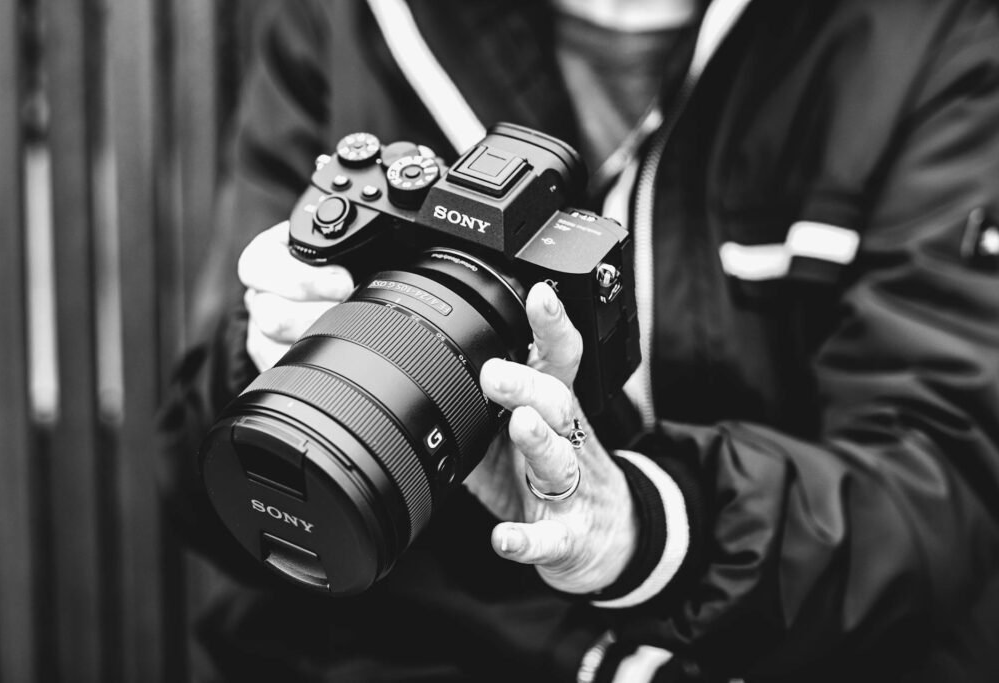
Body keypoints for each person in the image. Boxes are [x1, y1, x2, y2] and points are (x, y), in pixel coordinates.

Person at [160, 0, 999, 680]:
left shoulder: (929, 40)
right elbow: (202, 480)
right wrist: (276, 352)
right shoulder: (350, 22)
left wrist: (641, 524)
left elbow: (942, 490)